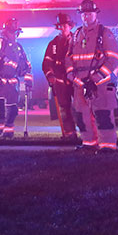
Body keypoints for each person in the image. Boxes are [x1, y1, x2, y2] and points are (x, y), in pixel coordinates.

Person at [65, 0, 118, 151]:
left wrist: (95, 78)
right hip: (80, 84)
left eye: (89, 13)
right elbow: (68, 58)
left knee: (103, 115)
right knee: (82, 116)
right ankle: (88, 144)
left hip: (100, 84)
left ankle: (107, 146)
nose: (86, 16)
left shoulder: (104, 33)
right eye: (83, 14)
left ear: (96, 14)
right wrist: (71, 75)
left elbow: (113, 59)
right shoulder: (76, 34)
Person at [0, 17, 32, 140]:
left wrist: (28, 82)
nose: (14, 35)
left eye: (16, 32)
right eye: (12, 32)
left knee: (13, 110)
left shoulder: (18, 48)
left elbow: (26, 66)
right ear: (5, 32)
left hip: (12, 83)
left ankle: (8, 134)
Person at [42, 12, 79, 144]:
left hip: (75, 80)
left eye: (65, 25)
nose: (62, 28)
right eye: (60, 26)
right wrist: (50, 76)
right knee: (64, 108)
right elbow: (47, 63)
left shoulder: (78, 41)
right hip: (60, 82)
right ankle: (70, 134)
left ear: (70, 26)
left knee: (81, 107)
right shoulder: (53, 44)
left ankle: (87, 133)